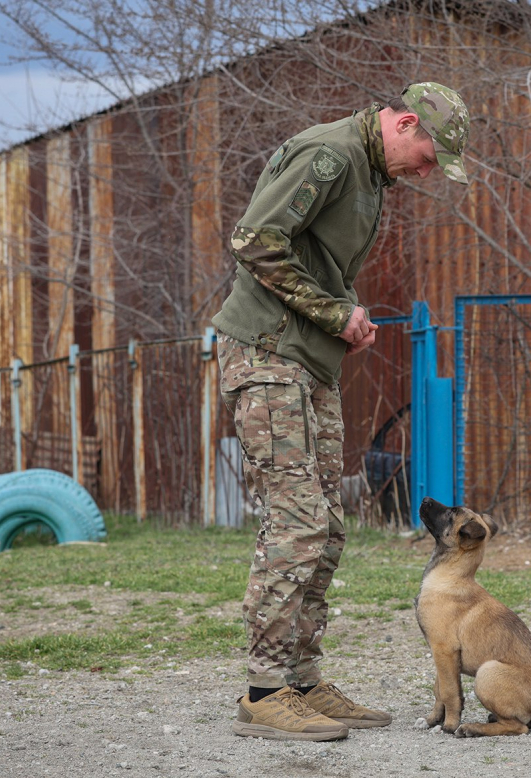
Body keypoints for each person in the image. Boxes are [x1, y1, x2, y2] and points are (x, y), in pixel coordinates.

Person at [212, 82, 470, 741]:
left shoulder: (367, 173)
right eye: (429, 155)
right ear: (406, 123)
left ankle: (300, 679)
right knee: (297, 522)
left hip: (308, 362)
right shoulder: (328, 156)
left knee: (326, 526)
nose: (427, 171)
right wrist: (336, 312)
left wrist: (344, 319)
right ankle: (263, 691)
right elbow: (254, 239)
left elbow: (314, 260)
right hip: (267, 355)